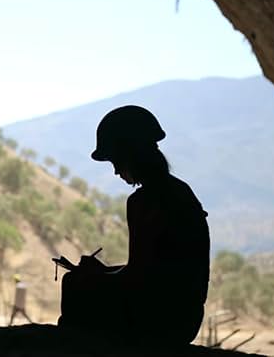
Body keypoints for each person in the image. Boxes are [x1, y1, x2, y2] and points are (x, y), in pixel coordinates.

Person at [57, 105, 210, 347]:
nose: (116, 171)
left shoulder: (143, 201)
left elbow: (137, 279)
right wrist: (105, 272)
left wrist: (96, 276)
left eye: (116, 161)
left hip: (157, 320)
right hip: (185, 319)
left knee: (74, 285)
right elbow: (151, 271)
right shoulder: (180, 190)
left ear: (130, 155)